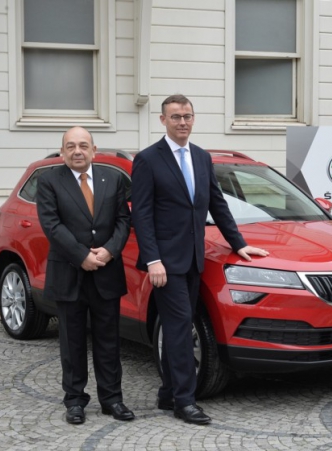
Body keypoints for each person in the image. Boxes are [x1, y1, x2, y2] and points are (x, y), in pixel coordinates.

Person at [130, 94, 269, 425]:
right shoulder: (148, 159)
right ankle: (184, 400)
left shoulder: (202, 158)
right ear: (162, 120)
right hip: (165, 263)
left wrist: (240, 244)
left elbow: (217, 205)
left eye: (188, 116)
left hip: (195, 259)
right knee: (179, 329)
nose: (182, 122)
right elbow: (143, 216)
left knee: (180, 326)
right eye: (176, 116)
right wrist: (153, 260)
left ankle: (167, 393)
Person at [36, 127, 134, 425]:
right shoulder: (49, 180)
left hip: (106, 271)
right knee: (72, 341)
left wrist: (108, 251)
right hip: (69, 273)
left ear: (94, 149)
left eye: (83, 145)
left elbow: (123, 219)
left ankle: (112, 399)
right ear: (62, 151)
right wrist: (82, 256)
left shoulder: (113, 178)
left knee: (108, 341)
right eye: (70, 146)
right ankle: (75, 401)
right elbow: (51, 225)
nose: (77, 151)